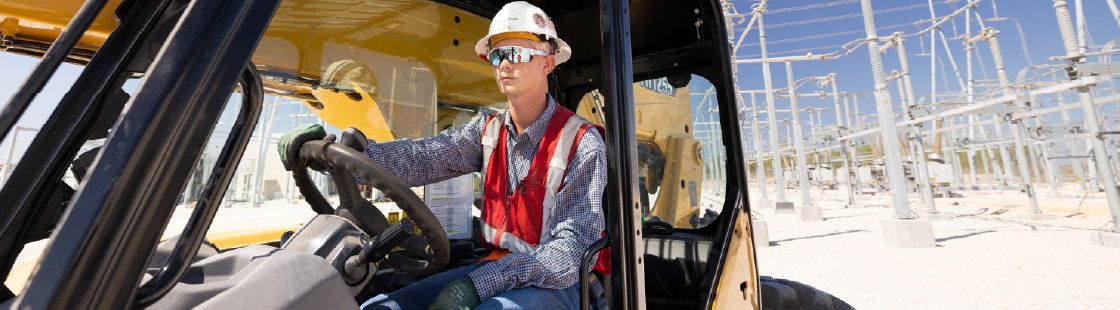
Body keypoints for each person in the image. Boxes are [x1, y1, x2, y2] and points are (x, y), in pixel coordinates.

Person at [277, 2, 607, 309]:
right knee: (382, 307)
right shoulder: (486, 132)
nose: (506, 64)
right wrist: (346, 152)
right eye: (497, 54)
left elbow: (570, 253)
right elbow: (424, 157)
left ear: (548, 62)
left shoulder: (582, 142)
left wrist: (479, 285)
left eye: (519, 53)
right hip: (493, 264)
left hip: (560, 284)